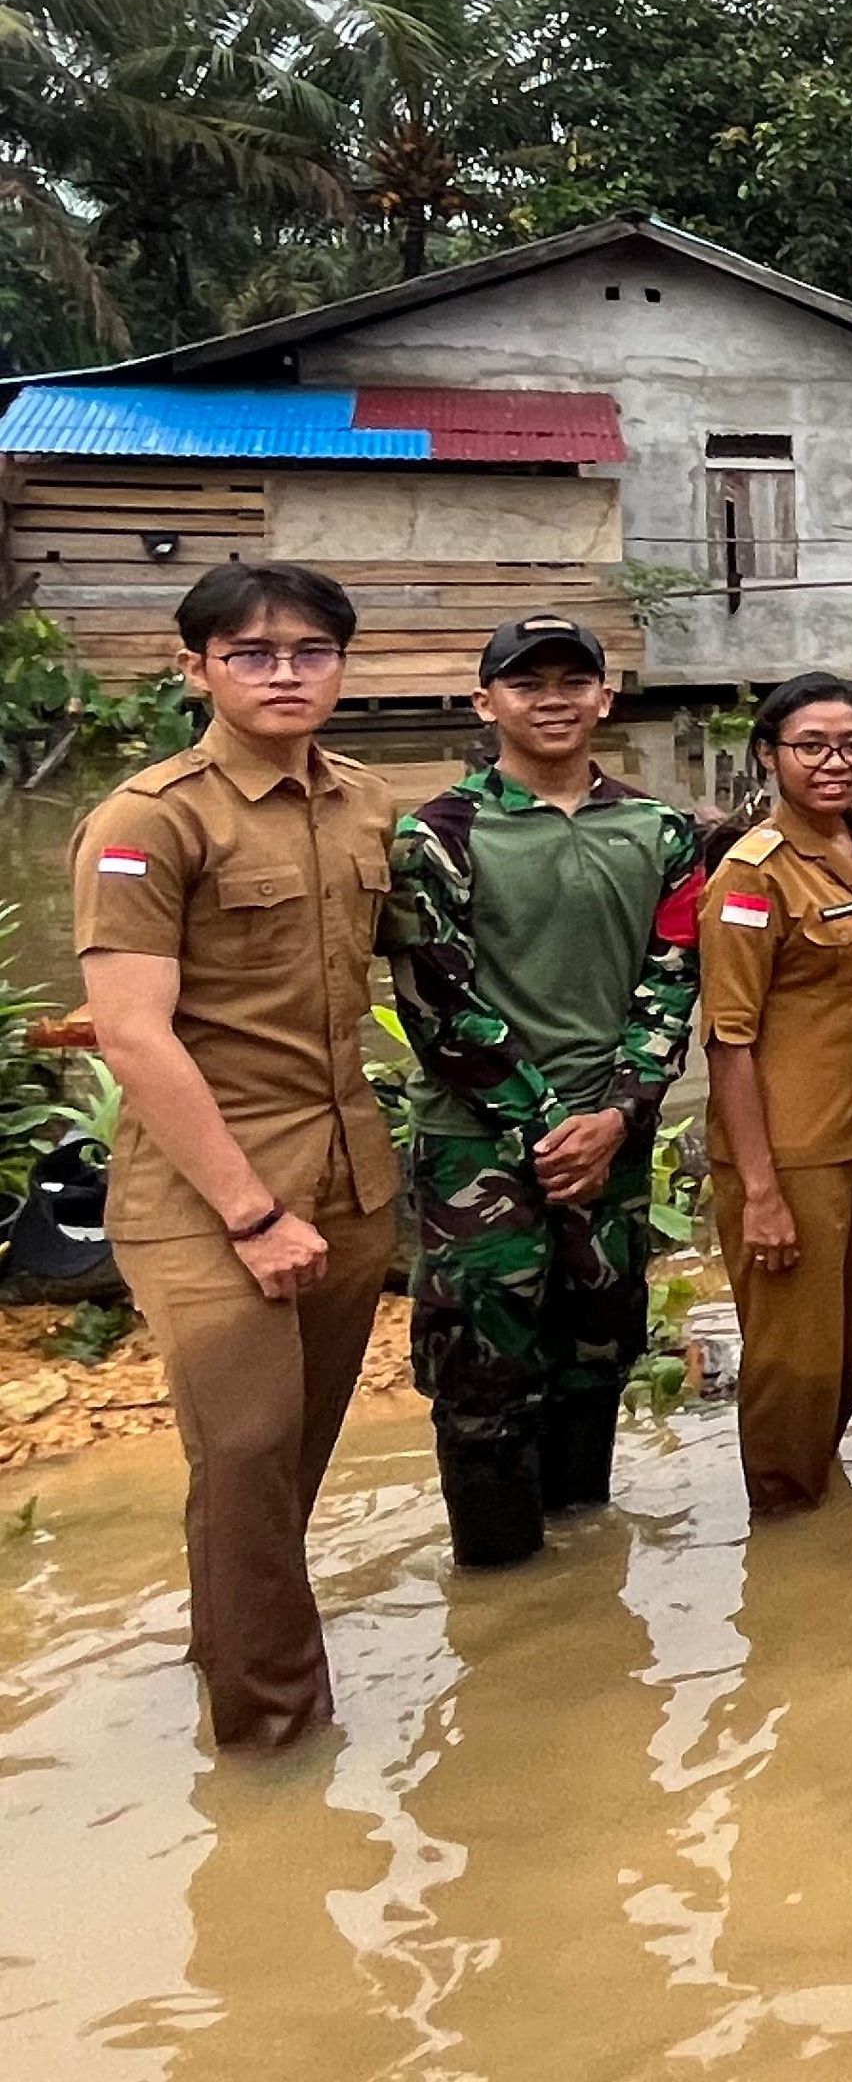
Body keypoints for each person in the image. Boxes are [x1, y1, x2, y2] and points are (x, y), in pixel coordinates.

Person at [73, 562, 400, 1750]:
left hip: (349, 1175)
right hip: (212, 1194)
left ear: (340, 666)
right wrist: (253, 1213)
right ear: (195, 666)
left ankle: (232, 1648)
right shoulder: (148, 819)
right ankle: (272, 1742)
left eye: (310, 651)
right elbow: (129, 1030)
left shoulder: (365, 804)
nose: (284, 674)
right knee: (249, 1449)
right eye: (253, 654)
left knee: (290, 1460)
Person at [381, 613, 701, 1566]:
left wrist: (616, 1114)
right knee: (481, 1369)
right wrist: (551, 1125)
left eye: (574, 681)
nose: (553, 699)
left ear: (607, 698)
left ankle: (582, 1592)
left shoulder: (660, 829)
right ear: (487, 704)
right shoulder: (435, 837)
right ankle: (498, 1591)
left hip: (613, 1138)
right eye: (528, 683)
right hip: (480, 1143)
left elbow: (672, 980)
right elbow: (439, 1003)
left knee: (596, 1350)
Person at [697, 674, 852, 1517]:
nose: (834, 763)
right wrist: (760, 1190)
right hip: (794, 1147)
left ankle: (818, 1495)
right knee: (792, 1356)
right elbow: (729, 1038)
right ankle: (785, 1525)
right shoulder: (750, 877)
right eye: (810, 746)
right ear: (769, 756)